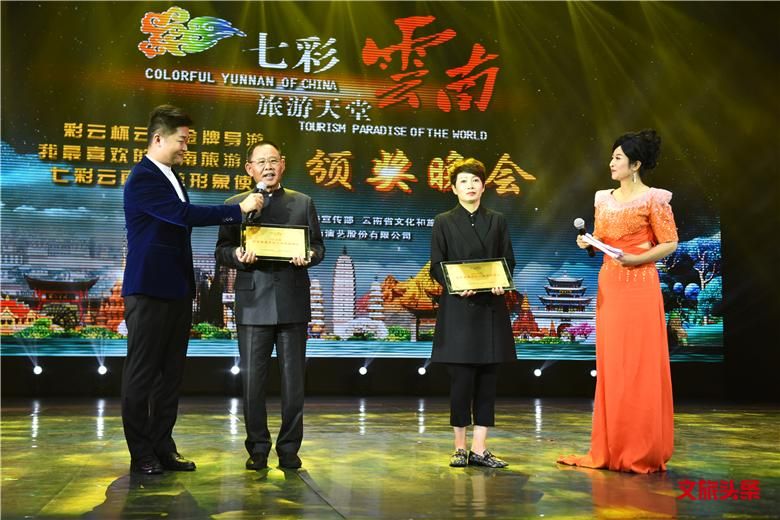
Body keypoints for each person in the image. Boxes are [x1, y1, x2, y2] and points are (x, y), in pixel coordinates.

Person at [121, 104, 263, 475]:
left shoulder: (170, 176)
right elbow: (182, 216)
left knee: (170, 377)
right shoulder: (143, 177)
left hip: (177, 290)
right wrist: (237, 210)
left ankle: (163, 447)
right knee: (142, 375)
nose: (187, 147)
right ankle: (141, 453)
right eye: (182, 140)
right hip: (149, 290)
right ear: (158, 139)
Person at [557, 129, 678, 473]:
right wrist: (589, 243)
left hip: (640, 284)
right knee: (613, 365)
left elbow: (669, 242)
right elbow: (602, 240)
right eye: (612, 157)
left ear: (635, 165)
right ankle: (612, 447)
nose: (611, 163)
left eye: (618, 158)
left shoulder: (654, 199)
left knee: (639, 363)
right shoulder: (603, 199)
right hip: (610, 283)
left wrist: (637, 259)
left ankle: (641, 448)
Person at [215, 140, 325, 470]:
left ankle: (289, 449)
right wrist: (237, 255)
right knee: (253, 383)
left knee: (294, 383)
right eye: (261, 162)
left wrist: (308, 256)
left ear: (283, 164)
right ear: (249, 169)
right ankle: (258, 449)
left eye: (273, 160)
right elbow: (222, 250)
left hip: (292, 301)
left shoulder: (302, 202)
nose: (268, 167)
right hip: (253, 303)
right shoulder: (234, 204)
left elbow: (318, 246)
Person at [429, 158, 517, 468]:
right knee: (461, 382)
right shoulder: (443, 221)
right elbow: (436, 264)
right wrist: (455, 285)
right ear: (454, 189)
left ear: (483, 186)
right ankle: (459, 448)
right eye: (463, 181)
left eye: (475, 181)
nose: (470, 186)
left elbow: (507, 260)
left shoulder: (497, 220)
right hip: (459, 310)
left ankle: (480, 449)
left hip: (490, 310)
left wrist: (501, 282)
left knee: (487, 382)